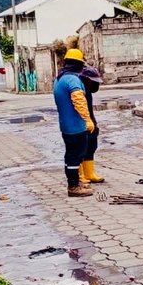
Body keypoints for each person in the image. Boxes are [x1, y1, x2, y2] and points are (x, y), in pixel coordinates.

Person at [54, 48, 95, 197]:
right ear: (78, 64)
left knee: (70, 154)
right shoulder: (72, 79)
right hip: (76, 126)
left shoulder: (59, 78)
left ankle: (76, 181)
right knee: (75, 155)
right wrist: (88, 120)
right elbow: (79, 102)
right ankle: (73, 186)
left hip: (65, 125)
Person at [78, 63, 106, 183]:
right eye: (93, 81)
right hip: (80, 123)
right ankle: (80, 175)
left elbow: (89, 108)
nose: (95, 84)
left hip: (90, 121)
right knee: (80, 148)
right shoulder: (78, 89)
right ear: (86, 79)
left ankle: (89, 173)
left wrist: (93, 122)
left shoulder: (87, 90)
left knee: (91, 146)